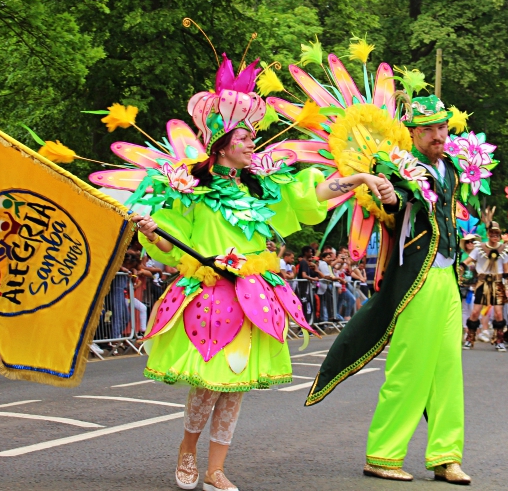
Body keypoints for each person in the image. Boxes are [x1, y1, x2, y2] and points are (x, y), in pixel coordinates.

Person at [127, 55, 396, 491]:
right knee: (208, 383)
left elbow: (314, 193)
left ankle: (216, 468)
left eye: (254, 137)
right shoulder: (188, 185)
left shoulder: (264, 186)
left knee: (235, 386)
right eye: (245, 137)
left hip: (254, 292)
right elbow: (167, 238)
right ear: (221, 142)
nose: (253, 143)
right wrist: (153, 230)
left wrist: (361, 177)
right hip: (209, 292)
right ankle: (186, 450)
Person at [306, 94, 480, 484]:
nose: (439, 135)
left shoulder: (451, 168)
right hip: (416, 279)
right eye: (431, 129)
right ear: (414, 132)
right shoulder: (399, 165)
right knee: (410, 367)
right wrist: (389, 195)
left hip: (448, 276)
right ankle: (383, 454)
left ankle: (446, 456)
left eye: (443, 127)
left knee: (448, 371)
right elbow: (397, 197)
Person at [464, 221, 508, 351]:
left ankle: (499, 340)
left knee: (498, 313)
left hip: (497, 283)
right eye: (492, 233)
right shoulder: (479, 248)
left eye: (497, 234)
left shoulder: (504, 249)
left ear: (500, 235)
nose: (494, 236)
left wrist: (507, 287)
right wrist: (461, 268)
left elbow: (507, 270)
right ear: (488, 234)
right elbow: (467, 261)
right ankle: (470, 338)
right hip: (482, 283)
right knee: (475, 311)